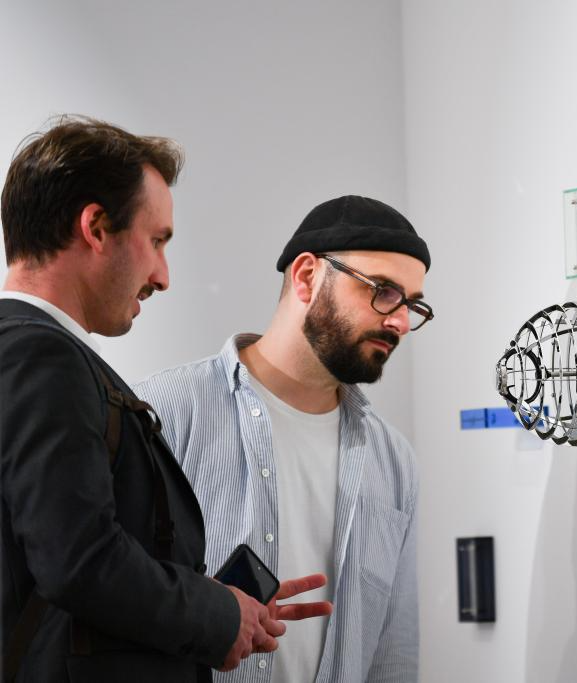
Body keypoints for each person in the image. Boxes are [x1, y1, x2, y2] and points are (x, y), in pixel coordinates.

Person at [0, 116, 325, 682]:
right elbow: (78, 560)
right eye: (156, 241)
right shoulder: (41, 357)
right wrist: (217, 615)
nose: (163, 276)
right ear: (96, 227)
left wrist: (218, 604)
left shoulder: (33, 353)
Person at [135, 195, 431, 682]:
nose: (400, 321)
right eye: (383, 291)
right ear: (307, 276)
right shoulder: (165, 412)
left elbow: (393, 653)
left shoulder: (393, 459)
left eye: (412, 304)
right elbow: (107, 597)